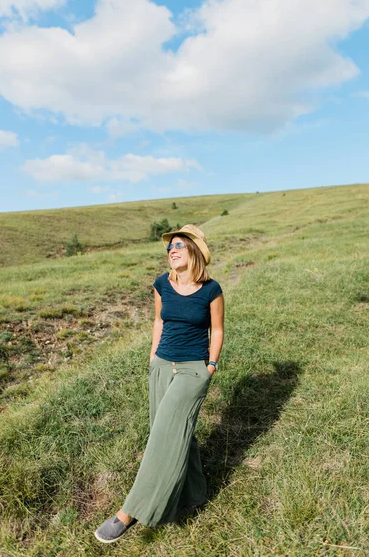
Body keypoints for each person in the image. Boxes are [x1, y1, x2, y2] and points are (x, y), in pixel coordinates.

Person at [94, 224, 224, 543]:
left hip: (194, 370)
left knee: (164, 434)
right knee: (175, 431)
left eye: (179, 245)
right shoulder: (161, 284)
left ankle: (131, 512)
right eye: (170, 247)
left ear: (194, 251)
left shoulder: (212, 289)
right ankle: (195, 493)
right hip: (163, 364)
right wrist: (153, 357)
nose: (173, 250)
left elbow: (218, 330)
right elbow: (158, 321)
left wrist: (211, 365)